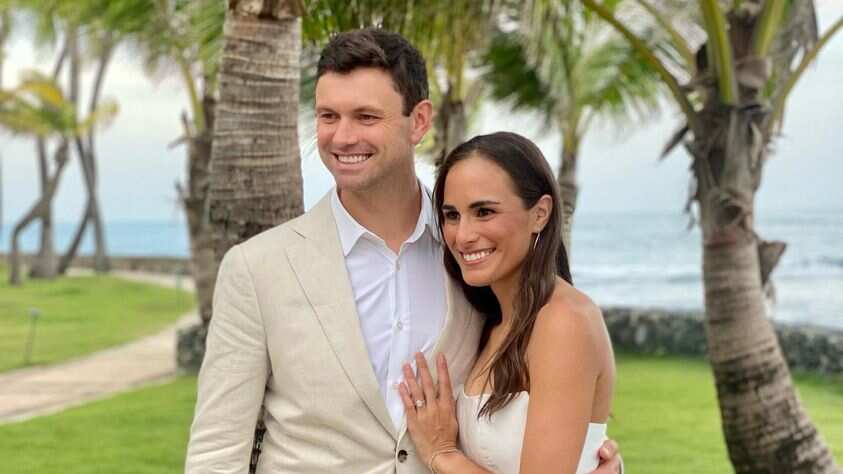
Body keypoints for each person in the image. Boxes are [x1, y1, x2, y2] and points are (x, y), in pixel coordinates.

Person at [185, 28, 622, 473]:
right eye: (328, 116)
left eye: (366, 117)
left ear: (419, 121)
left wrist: (589, 459)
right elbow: (217, 452)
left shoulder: (476, 262)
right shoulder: (257, 269)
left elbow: (545, 394)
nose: (342, 137)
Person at [398, 132, 616, 474]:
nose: (463, 235)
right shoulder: (492, 320)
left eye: (484, 212)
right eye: (452, 215)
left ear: (540, 213)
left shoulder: (563, 321)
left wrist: (442, 453)